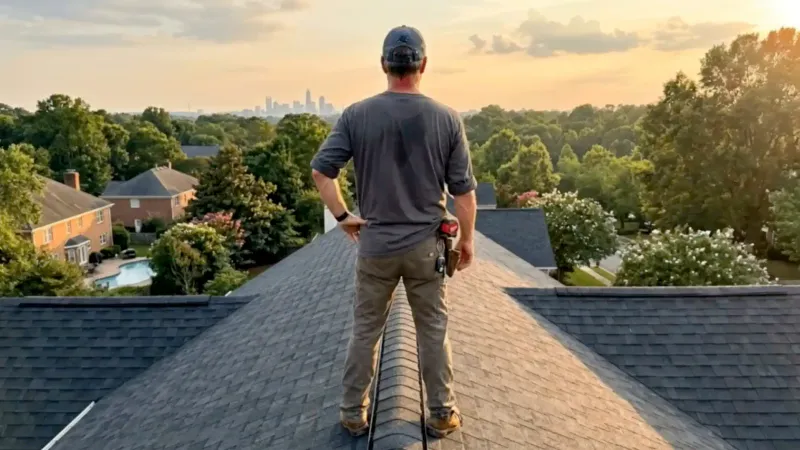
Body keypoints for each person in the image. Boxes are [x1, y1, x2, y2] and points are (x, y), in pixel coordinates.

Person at [310, 25, 478, 439]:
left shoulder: (356, 115)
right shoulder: (446, 118)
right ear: (423, 65)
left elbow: (321, 173)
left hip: (376, 247)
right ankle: (441, 413)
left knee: (366, 330)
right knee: (433, 330)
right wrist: (466, 240)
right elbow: (464, 194)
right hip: (427, 249)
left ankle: (353, 413)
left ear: (384, 64)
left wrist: (343, 216)